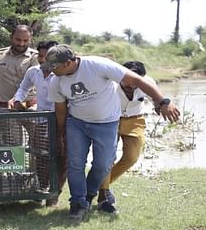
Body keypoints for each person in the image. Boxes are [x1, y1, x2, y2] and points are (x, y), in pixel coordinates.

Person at [46, 44, 180, 221]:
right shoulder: (56, 81)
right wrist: (59, 135)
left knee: (103, 164)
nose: (51, 71)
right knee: (75, 164)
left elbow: (138, 80)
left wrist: (163, 101)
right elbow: (61, 110)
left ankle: (90, 193)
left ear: (69, 62)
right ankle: (77, 203)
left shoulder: (97, 65)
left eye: (55, 66)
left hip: (107, 124)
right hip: (77, 123)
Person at [97, 61, 158, 213]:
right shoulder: (110, 83)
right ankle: (103, 195)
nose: (131, 86)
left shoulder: (148, 82)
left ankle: (97, 185)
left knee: (132, 157)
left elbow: (156, 98)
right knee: (107, 158)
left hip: (135, 120)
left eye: (137, 83)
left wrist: (159, 106)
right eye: (128, 81)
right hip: (111, 120)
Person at [13, 40, 68, 206]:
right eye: (42, 56)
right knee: (40, 155)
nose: (44, 61)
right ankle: (42, 187)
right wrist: (18, 100)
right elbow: (23, 88)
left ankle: (54, 194)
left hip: (62, 119)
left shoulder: (62, 74)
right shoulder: (33, 71)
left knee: (62, 157)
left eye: (48, 57)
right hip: (41, 119)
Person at [0, 24, 38, 109]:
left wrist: (16, 100)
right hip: (2, 108)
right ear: (11, 37)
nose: (21, 44)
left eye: (25, 40)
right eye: (18, 40)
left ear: (30, 40)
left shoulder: (35, 57)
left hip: (26, 107)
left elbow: (32, 84)